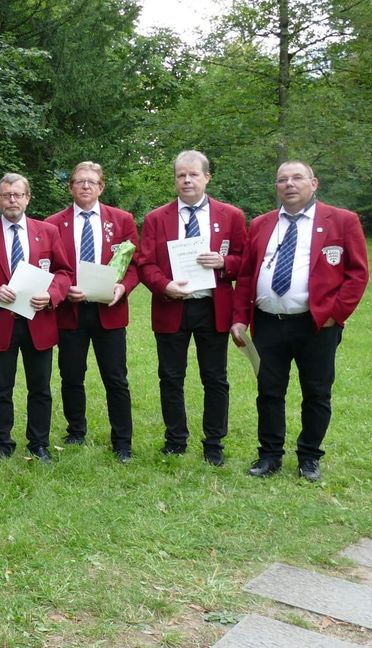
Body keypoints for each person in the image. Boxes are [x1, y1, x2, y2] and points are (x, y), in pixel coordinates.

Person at [231, 161, 369, 480]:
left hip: (316, 325)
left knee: (317, 392)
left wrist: (336, 314)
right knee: (268, 391)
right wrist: (239, 318)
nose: (289, 184)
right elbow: (248, 274)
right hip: (267, 323)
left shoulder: (342, 221)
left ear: (314, 183)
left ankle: (309, 456)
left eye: (297, 178)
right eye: (282, 179)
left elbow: (357, 273)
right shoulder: (262, 224)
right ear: (276, 187)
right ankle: (269, 456)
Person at [136, 150, 246, 466]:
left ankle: (214, 444)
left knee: (215, 378)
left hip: (213, 308)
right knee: (170, 377)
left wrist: (225, 262)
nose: (187, 180)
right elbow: (145, 264)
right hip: (173, 306)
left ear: (207, 177)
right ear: (174, 180)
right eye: (181, 175)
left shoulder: (231, 216)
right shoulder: (157, 218)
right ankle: (175, 440)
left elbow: (245, 262)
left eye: (193, 174)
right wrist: (164, 285)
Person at [0, 173, 74, 462]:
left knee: (40, 387)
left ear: (28, 198)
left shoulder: (48, 232)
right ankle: (2, 444)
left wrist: (52, 295)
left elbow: (64, 272)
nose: (12, 200)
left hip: (37, 320)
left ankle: (38, 443)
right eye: (6, 195)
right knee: (0, 388)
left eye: (17, 194)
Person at [43, 162, 139, 462]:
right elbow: (49, 265)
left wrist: (122, 288)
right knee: (71, 375)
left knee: (116, 378)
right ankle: (75, 430)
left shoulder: (121, 220)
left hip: (108, 311)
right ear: (70, 187)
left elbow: (134, 264)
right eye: (79, 181)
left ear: (101, 187)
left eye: (92, 182)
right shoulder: (53, 223)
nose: (85, 186)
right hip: (70, 311)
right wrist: (63, 290)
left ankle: (122, 441)